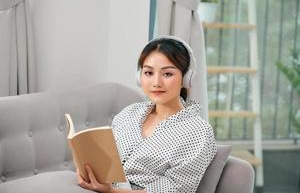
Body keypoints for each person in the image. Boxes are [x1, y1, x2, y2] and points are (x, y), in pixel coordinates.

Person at [77, 36, 217, 193]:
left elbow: (176, 189)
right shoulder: (129, 113)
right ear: (139, 77)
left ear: (186, 78)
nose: (156, 82)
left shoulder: (198, 131)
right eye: (148, 72)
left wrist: (113, 191)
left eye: (167, 74)